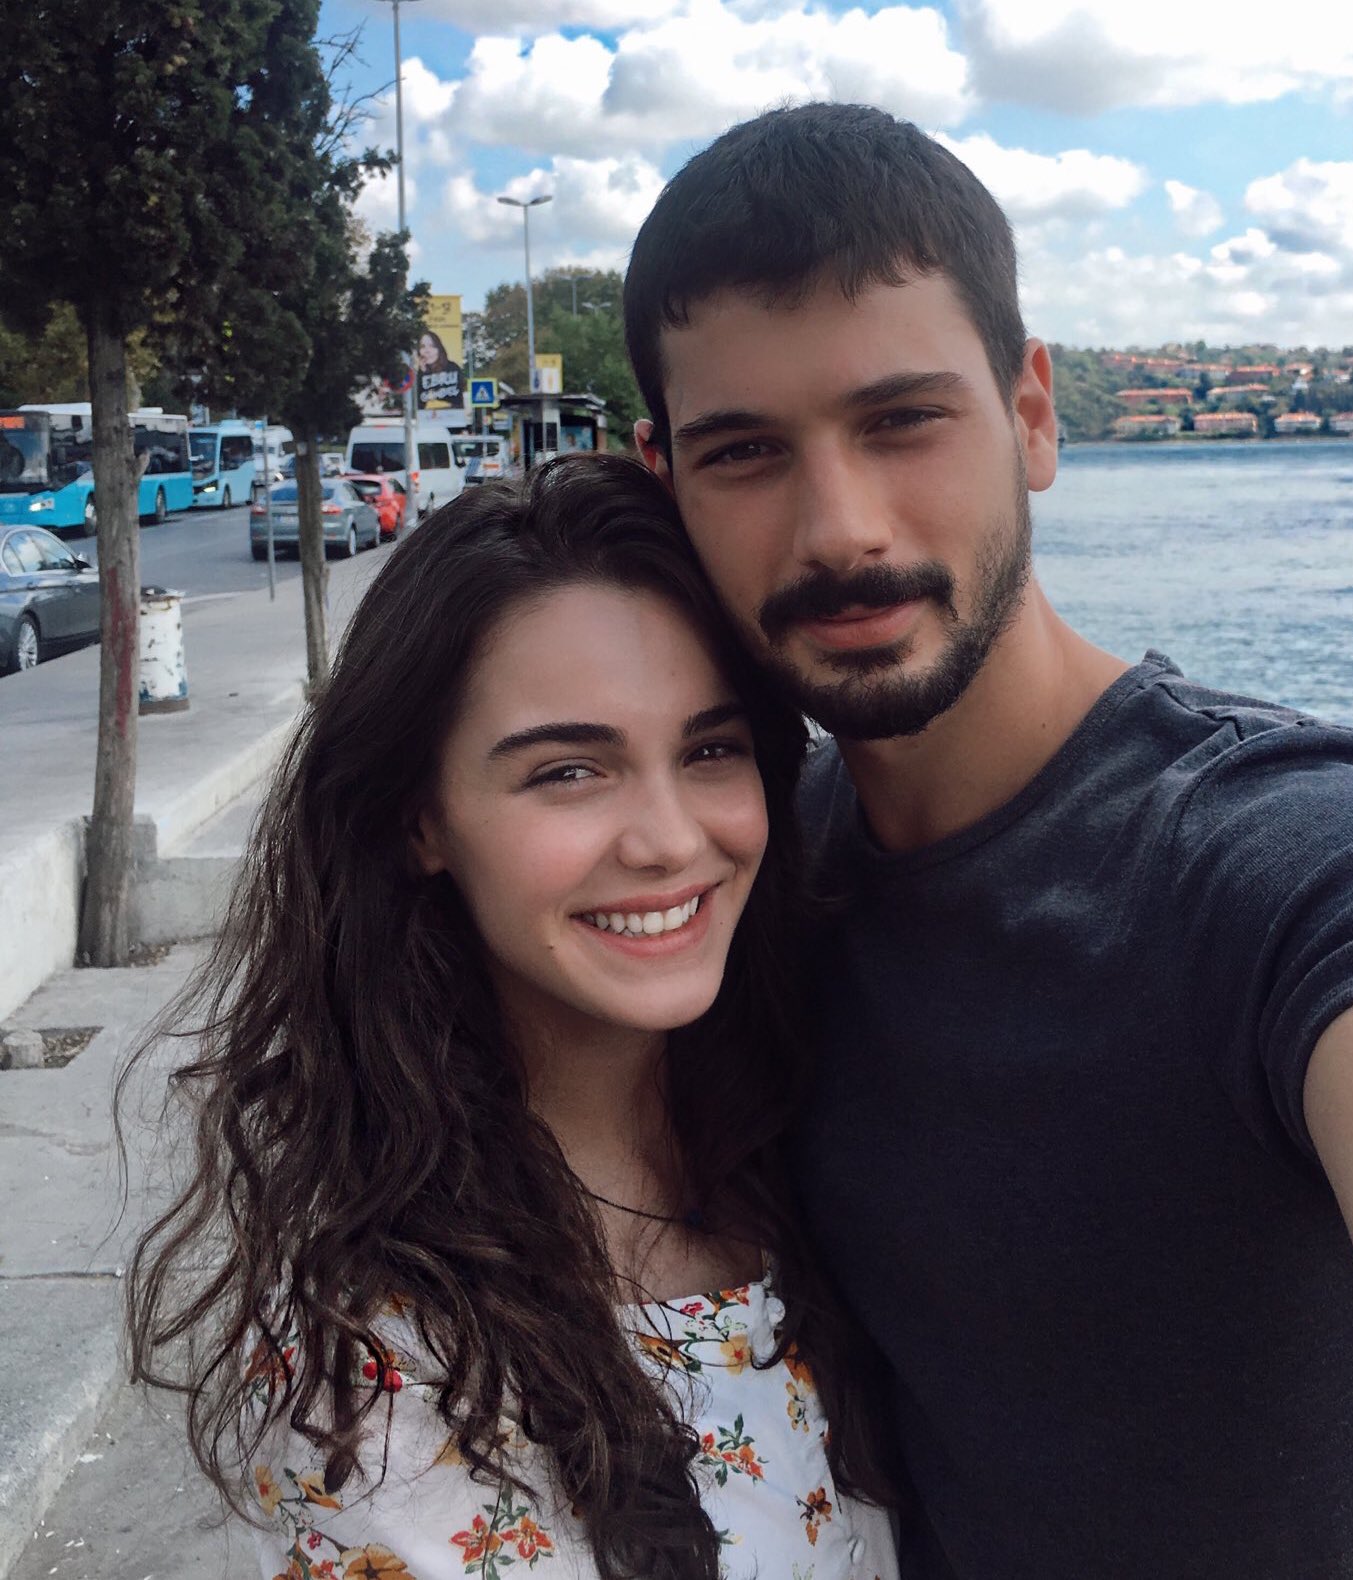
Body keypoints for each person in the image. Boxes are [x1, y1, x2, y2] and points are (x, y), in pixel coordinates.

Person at [623, 102, 1353, 1579]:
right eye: (744, 452)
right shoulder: (739, 881)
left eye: (902, 421)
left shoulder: (1299, 858)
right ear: (667, 482)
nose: (840, 527)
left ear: (1032, 416)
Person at [122, 456, 899, 1580]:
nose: (671, 839)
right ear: (421, 821)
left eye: (709, 750)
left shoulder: (816, 1143)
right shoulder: (381, 1375)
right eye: (570, 771)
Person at [417, 328, 463, 407]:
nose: (427, 351)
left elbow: (458, 398)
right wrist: (422, 372)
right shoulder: (418, 372)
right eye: (423, 346)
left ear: (439, 349)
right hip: (426, 414)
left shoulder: (452, 368)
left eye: (432, 346)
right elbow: (418, 403)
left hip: (451, 413)